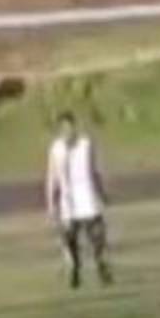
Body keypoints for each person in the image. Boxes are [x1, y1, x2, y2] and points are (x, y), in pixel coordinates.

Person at [45, 112, 113, 289]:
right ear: (60, 130)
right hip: (69, 202)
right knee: (70, 239)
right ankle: (75, 268)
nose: (68, 131)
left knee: (98, 236)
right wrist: (51, 202)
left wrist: (102, 193)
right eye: (64, 128)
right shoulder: (56, 149)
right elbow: (52, 177)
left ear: (74, 127)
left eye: (70, 127)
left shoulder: (86, 145)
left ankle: (101, 265)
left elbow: (94, 171)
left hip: (87, 197)